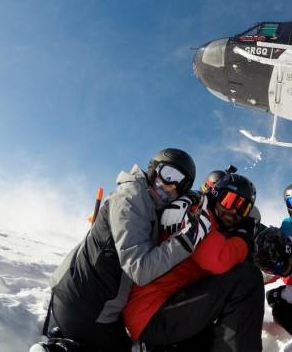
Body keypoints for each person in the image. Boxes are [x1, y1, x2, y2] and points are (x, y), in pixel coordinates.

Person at [41, 148, 205, 352]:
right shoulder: (132, 199)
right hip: (84, 306)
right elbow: (140, 269)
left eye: (181, 185)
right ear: (153, 169)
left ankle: (67, 340)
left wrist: (194, 197)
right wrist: (186, 241)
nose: (171, 186)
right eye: (169, 175)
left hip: (85, 300)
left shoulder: (148, 202)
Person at [127, 173, 264, 352]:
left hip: (167, 311)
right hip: (153, 312)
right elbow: (217, 261)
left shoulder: (218, 226)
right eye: (230, 201)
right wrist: (243, 237)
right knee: (247, 278)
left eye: (243, 208)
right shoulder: (199, 213)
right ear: (216, 194)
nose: (234, 212)